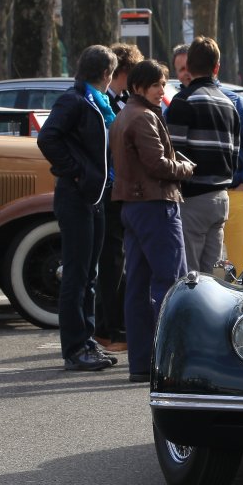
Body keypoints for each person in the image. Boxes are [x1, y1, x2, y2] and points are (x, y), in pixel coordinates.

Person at [110, 58, 194, 383]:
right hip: (156, 205)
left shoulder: (125, 115)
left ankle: (142, 362)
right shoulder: (144, 117)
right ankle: (170, 362)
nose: (162, 90)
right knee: (171, 283)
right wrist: (186, 168)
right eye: (157, 84)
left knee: (138, 285)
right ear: (139, 87)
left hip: (133, 206)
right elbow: (158, 164)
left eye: (163, 83)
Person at [37, 44, 119, 372]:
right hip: (76, 195)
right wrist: (77, 171)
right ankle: (74, 348)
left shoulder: (98, 102)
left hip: (94, 195)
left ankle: (87, 339)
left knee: (90, 273)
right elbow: (47, 138)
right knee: (77, 273)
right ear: (106, 73)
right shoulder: (74, 100)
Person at [167, 37, 241, 273]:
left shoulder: (183, 101)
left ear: (188, 66)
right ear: (216, 67)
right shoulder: (229, 105)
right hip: (221, 198)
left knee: (189, 276)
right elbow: (235, 155)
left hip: (192, 198)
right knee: (212, 276)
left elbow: (174, 154)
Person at [93, 43, 143, 353]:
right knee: (112, 261)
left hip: (115, 188)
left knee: (114, 260)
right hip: (112, 188)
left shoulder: (119, 101)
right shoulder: (110, 103)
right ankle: (110, 329)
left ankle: (109, 327)